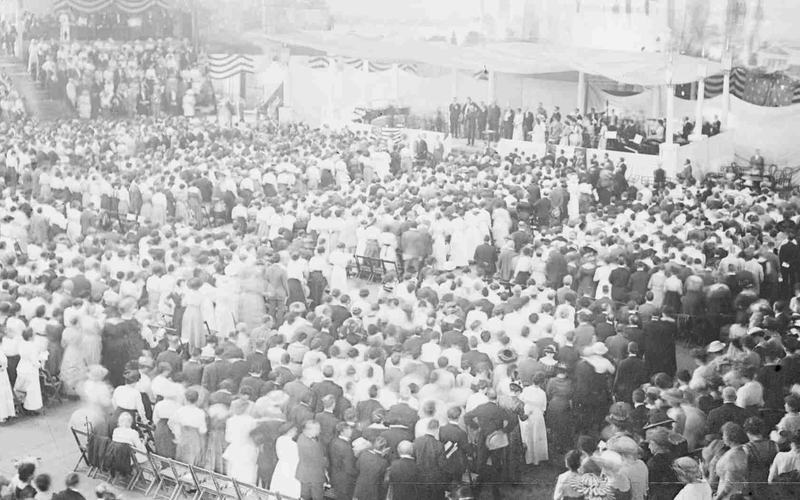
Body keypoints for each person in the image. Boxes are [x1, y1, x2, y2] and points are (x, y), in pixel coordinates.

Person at [296, 420, 327, 500]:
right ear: (309, 430)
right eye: (317, 429)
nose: (319, 431)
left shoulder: (304, 436)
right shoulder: (308, 445)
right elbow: (319, 461)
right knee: (317, 497)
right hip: (314, 476)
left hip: (305, 475)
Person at [270, 423, 301, 498]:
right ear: (290, 430)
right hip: (290, 468)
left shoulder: (280, 439)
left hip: (281, 466)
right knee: (289, 489)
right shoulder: (292, 444)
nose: (296, 433)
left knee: (279, 487)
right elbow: (296, 457)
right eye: (295, 431)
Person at [328, 422, 357, 500]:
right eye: (348, 429)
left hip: (336, 476)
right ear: (342, 432)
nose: (351, 431)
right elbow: (349, 467)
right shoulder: (346, 447)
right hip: (345, 480)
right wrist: (357, 474)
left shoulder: (333, 441)